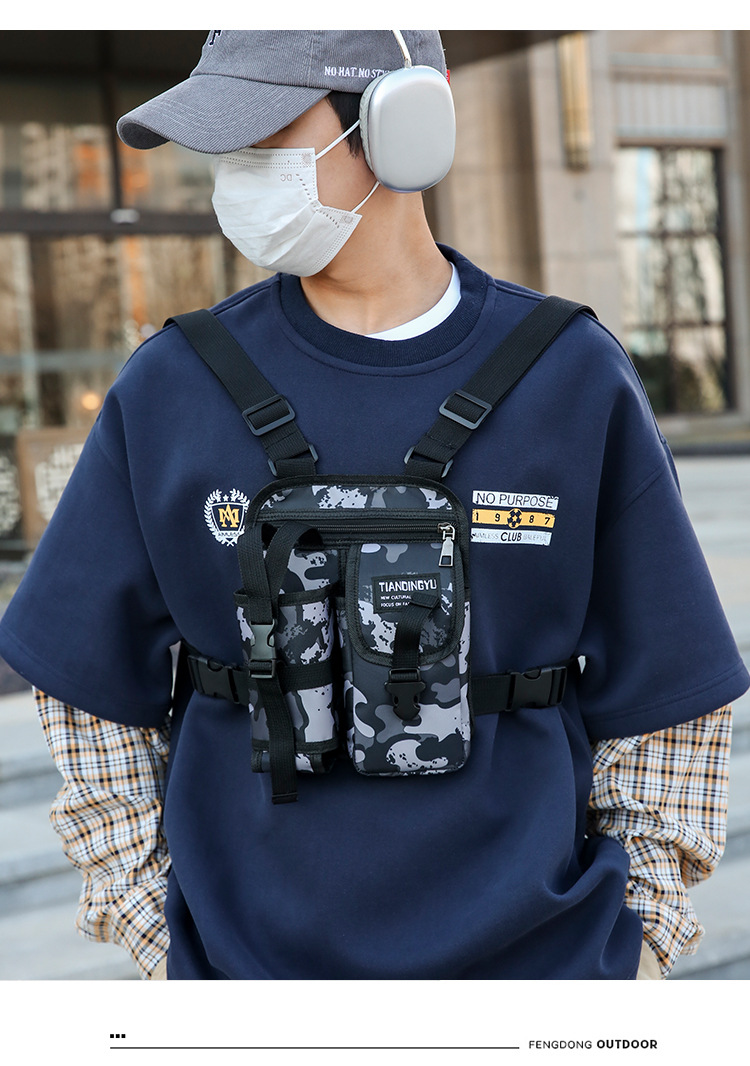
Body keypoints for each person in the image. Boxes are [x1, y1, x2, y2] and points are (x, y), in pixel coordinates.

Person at [1, 30, 747, 982]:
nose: (237, 172)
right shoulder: (172, 387)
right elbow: (85, 693)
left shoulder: (572, 378)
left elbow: (668, 701)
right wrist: (163, 945)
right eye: (226, 147)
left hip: (543, 972)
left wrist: (637, 944)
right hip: (249, 985)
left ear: (402, 124)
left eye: (266, 134)